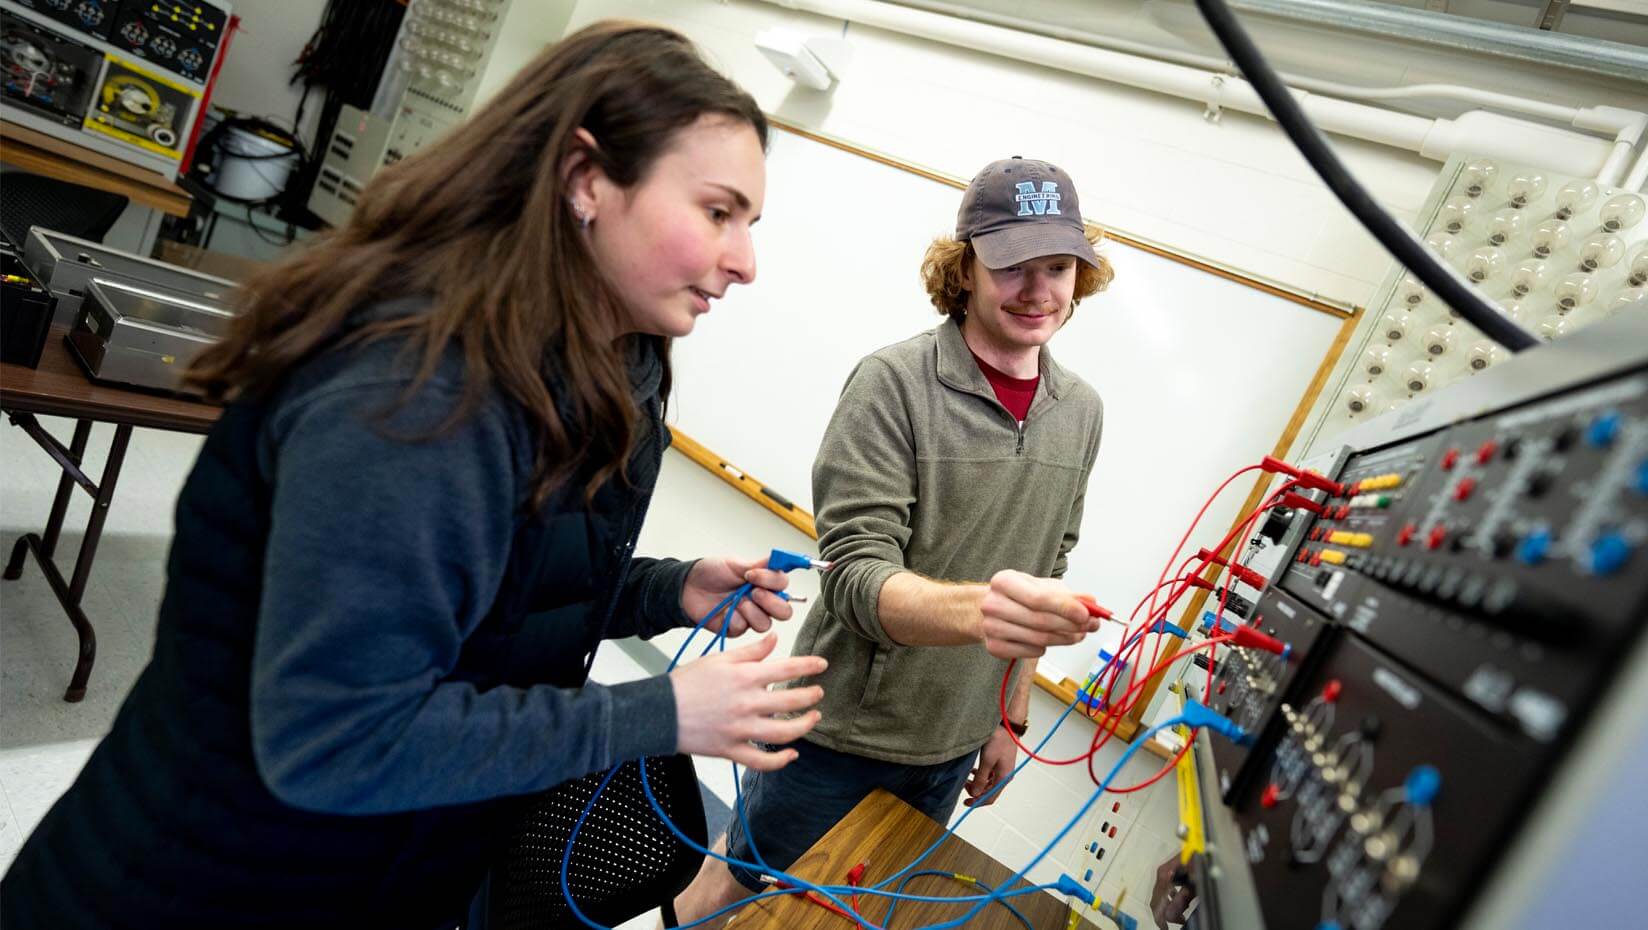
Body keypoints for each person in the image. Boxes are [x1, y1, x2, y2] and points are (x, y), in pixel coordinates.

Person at [1, 22, 828, 929]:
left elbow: (493, 596)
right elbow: (336, 737)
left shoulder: (598, 367)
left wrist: (664, 592)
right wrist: (656, 714)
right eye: (719, 211)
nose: (747, 261)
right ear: (586, 179)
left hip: (382, 872)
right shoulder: (415, 391)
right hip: (202, 884)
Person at [673, 156, 1115, 926]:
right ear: (965, 266)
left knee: (845, 916)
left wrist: (1005, 718)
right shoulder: (894, 383)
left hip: (949, 747)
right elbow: (857, 578)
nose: (1038, 290)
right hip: (837, 731)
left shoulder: (1080, 410)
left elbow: (1047, 573)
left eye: (1058, 266)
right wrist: (988, 612)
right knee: (738, 901)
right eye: (1012, 266)